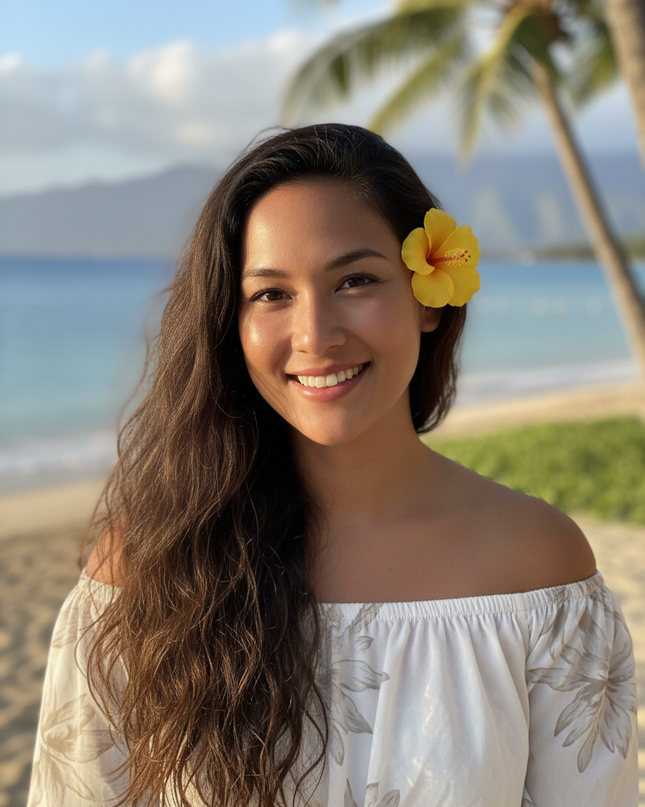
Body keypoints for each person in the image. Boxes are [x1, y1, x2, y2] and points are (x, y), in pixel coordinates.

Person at [28, 123, 638, 807]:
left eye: (355, 279)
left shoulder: (536, 566)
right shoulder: (146, 566)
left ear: (428, 296)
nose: (315, 333)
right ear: (231, 323)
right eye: (271, 294)